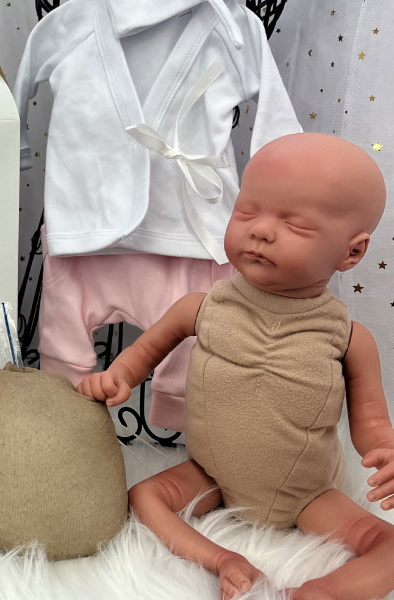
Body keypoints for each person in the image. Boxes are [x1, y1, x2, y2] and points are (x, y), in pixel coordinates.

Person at [76, 133, 394, 600]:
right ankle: (224, 561)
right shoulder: (201, 308)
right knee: (144, 496)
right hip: (213, 477)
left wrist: (385, 450)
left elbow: (371, 422)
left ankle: (320, 591)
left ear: (352, 252)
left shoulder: (348, 337)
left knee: (389, 545)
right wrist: (117, 378)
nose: (261, 231)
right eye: (247, 211)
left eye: (295, 224)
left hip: (307, 495)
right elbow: (141, 356)